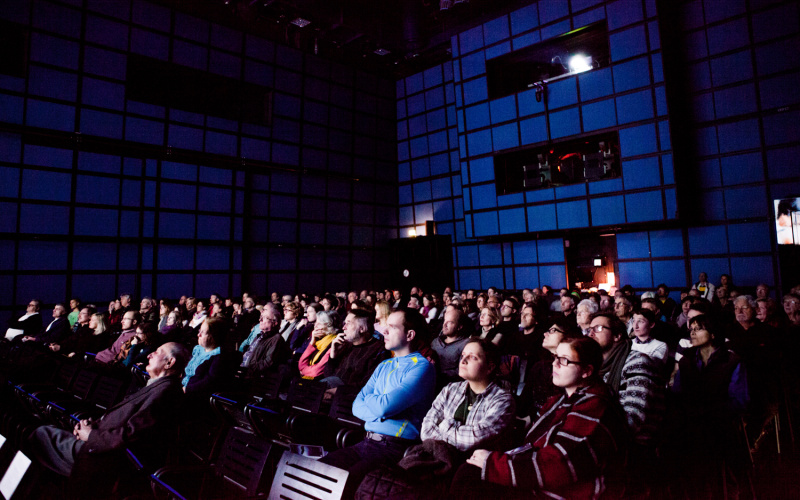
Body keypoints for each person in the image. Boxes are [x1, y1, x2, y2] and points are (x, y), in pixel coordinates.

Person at [450, 336, 628, 500]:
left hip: (570, 490)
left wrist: (492, 462)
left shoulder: (596, 405)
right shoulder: (559, 401)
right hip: (541, 473)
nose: (555, 364)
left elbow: (558, 465)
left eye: (564, 360)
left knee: (470, 475)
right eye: (555, 357)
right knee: (468, 469)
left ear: (586, 371)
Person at [28, 342, 190, 478]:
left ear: (169, 363)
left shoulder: (166, 392)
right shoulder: (157, 385)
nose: (149, 355)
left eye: (157, 352)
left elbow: (133, 434)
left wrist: (91, 435)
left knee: (40, 435)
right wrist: (93, 424)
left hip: (107, 457)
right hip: (101, 440)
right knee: (45, 432)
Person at [320, 309, 436, 498]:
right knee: (319, 469)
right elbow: (357, 405)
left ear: (410, 334)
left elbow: (384, 406)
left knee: (343, 484)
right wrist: (381, 409)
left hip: (393, 448)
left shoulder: (421, 367)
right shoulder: (384, 365)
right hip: (366, 441)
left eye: (392, 327)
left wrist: (376, 404)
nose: (384, 331)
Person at [670, 314, 749, 498]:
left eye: (699, 329)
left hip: (719, 423)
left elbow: (739, 400)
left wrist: (709, 412)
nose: (693, 333)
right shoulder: (686, 360)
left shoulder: (731, 361)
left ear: (713, 334)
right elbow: (678, 393)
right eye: (691, 330)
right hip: (690, 421)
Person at [517, 317, 582, 419]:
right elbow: (524, 403)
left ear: (567, 336)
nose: (545, 334)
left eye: (552, 331)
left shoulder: (573, 369)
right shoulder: (539, 367)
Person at [323, 309, 389, 389]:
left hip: (348, 396)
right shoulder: (345, 344)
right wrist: (333, 356)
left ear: (362, 329)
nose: (344, 327)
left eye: (348, 323)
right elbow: (327, 374)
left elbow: (368, 385)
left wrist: (338, 391)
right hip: (331, 390)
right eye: (344, 323)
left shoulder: (378, 349)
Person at [240, 307, 287, 376]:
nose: (260, 320)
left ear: (275, 323)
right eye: (261, 317)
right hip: (243, 370)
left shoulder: (276, 338)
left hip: (253, 376)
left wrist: (249, 370)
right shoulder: (259, 336)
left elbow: (268, 362)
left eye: (265, 318)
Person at [431, 308, 472, 387]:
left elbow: (462, 370)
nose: (444, 325)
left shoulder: (466, 344)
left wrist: (438, 374)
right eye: (444, 321)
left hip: (450, 386)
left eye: (449, 322)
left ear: (459, 327)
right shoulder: (436, 341)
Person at [298, 311, 338, 379]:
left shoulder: (334, 343)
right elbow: (301, 364)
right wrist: (312, 342)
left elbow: (316, 371)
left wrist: (304, 371)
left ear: (329, 325)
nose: (315, 325)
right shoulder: (318, 340)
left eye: (319, 324)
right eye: (316, 322)